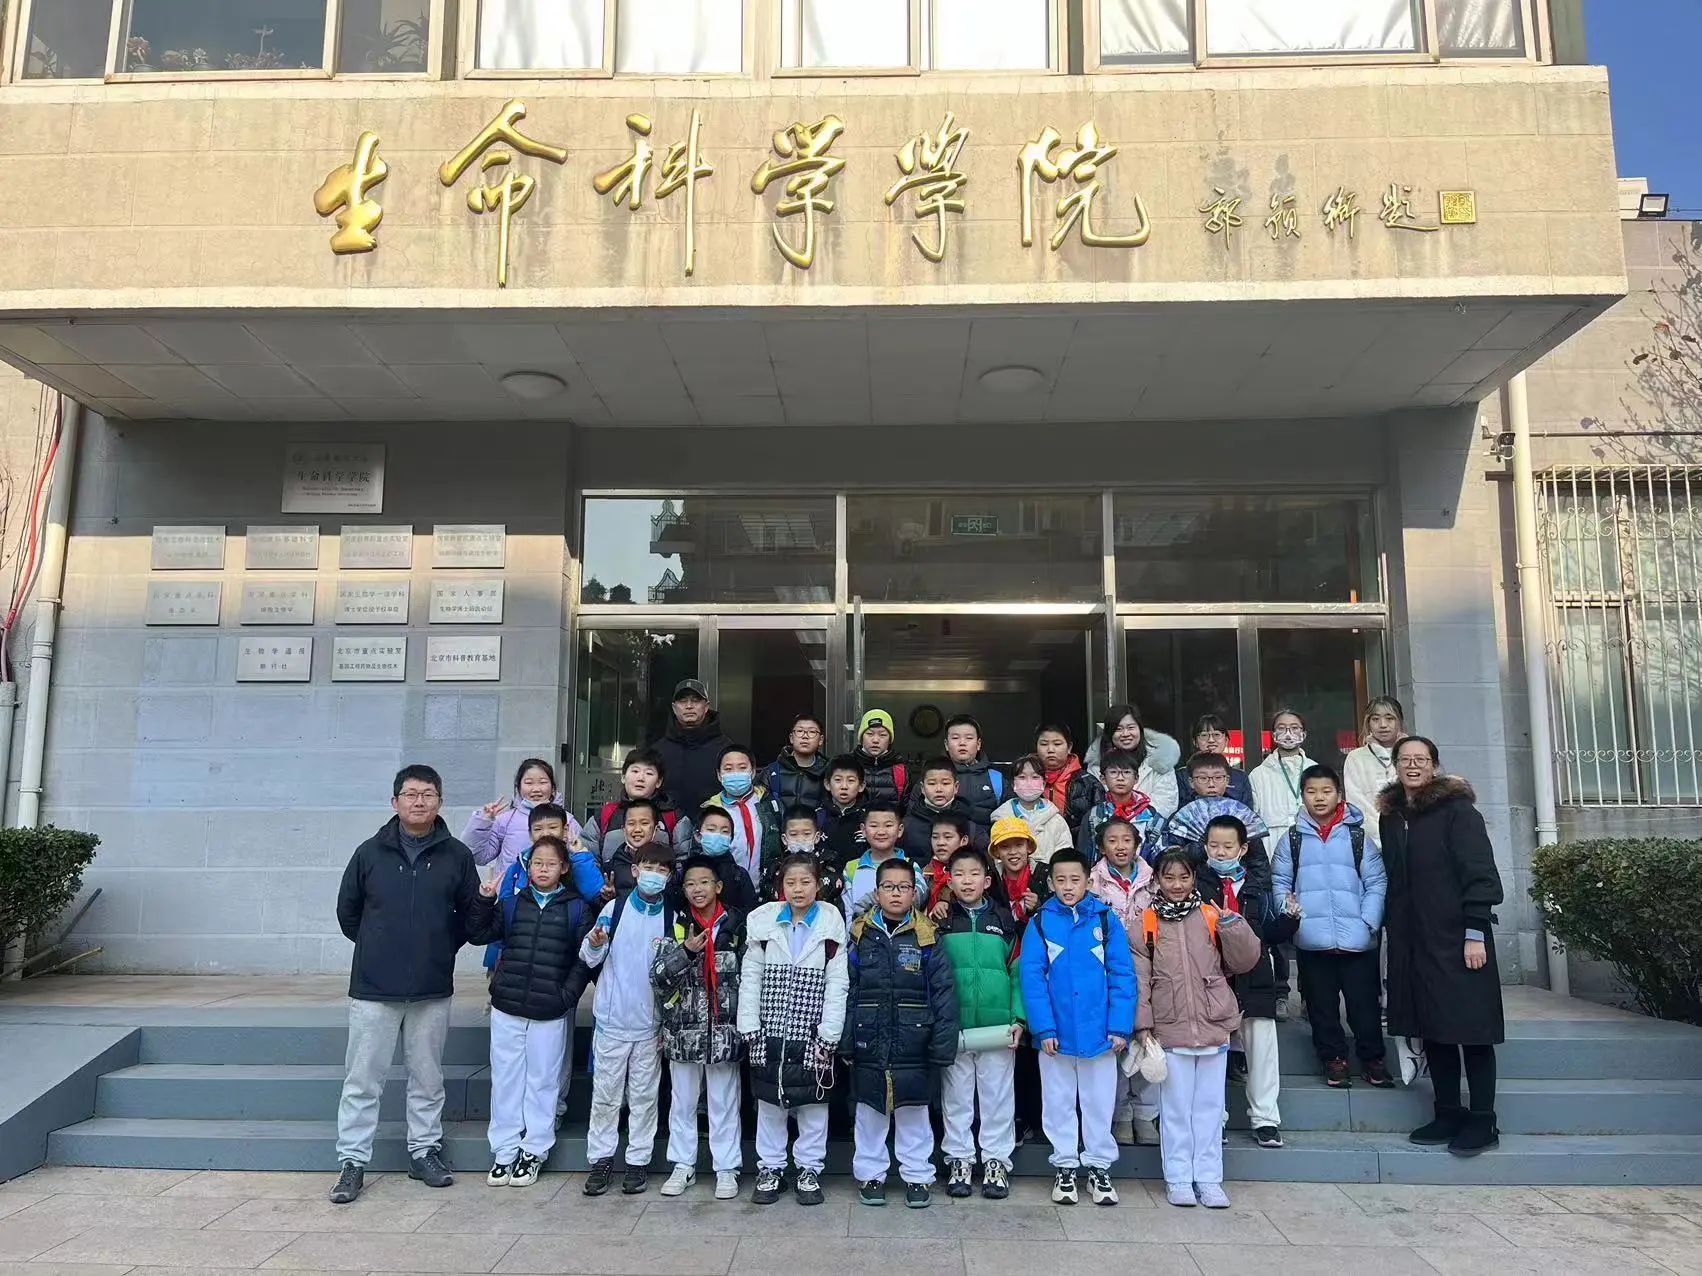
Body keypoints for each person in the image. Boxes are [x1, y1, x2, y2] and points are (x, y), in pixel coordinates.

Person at [330, 764, 481, 1205]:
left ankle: (424, 1152)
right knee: (363, 1079)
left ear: (440, 802)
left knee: (428, 1077)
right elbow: (348, 914)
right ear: (394, 802)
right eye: (411, 794)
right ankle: (352, 1161)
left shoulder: (457, 856)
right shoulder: (369, 853)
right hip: (374, 987)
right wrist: (380, 946)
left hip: (431, 987)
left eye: (428, 794)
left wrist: (436, 947)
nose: (419, 801)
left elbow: (468, 917)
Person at [1379, 736, 1506, 1157]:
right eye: (1405, 759)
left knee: (1473, 1030)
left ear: (1434, 765)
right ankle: (1447, 1111)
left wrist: (1475, 932)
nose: (1413, 765)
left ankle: (1483, 1120)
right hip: (1415, 941)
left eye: (1421, 759)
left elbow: (1480, 873)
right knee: (1434, 1028)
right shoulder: (1392, 817)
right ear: (1395, 765)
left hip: (1459, 939)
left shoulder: (1458, 811)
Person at [1134, 848, 1263, 1209]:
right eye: (1169, 877)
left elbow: (1245, 961)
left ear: (1193, 878)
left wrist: (1232, 925)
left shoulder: (1210, 915)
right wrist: (1143, 1024)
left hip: (1213, 1023)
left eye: (1184, 876)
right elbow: (1140, 979)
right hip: (1170, 1026)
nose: (1177, 884)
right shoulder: (1145, 922)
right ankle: (1178, 1178)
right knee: (1175, 1109)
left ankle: (1209, 1179)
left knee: (1210, 1108)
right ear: (1157, 880)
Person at [467, 836, 594, 1187]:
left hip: (549, 1009)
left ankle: (534, 1149)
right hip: (507, 1005)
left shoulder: (576, 908)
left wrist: (566, 996)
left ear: (563, 868)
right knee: (506, 1079)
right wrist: (484, 899)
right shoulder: (512, 903)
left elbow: (584, 959)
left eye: (551, 863)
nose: (543, 869)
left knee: (543, 1081)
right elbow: (478, 933)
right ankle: (504, 1150)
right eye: (537, 863)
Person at [1019, 849, 1136, 1207]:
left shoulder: (1105, 920)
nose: (1068, 887)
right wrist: (1043, 1029)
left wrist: (1119, 1026)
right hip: (1055, 1036)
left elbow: (1122, 975)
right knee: (1058, 1102)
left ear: (1088, 880)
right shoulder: (1040, 922)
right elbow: (1031, 979)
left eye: (1075, 879)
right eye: (1061, 880)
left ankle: (1099, 1166)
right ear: (1051, 882)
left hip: (1100, 1034)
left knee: (1099, 1102)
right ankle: (1065, 1165)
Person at [846, 859, 959, 1208]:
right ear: (877, 892)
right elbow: (848, 989)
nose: (896, 893)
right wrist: (846, 1039)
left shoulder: (928, 936)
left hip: (915, 1039)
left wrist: (942, 1043)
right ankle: (871, 1174)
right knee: (870, 1111)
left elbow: (943, 992)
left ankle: (917, 1176)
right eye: (889, 887)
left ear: (914, 892)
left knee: (914, 1111)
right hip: (869, 1036)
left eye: (904, 887)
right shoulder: (860, 934)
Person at [739, 852, 850, 1206]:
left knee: (814, 1106)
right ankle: (770, 1168)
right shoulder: (763, 925)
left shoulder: (830, 927)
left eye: (805, 882)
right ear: (780, 887)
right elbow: (750, 979)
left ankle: (809, 1169)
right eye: (791, 882)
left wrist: (829, 1034)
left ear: (818, 885)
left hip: (811, 1031)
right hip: (770, 1029)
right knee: (770, 1105)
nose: (798, 889)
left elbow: (837, 985)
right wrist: (750, 1027)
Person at [1273, 764, 1390, 1089]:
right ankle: (1333, 1059)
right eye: (1311, 791)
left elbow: (1377, 882)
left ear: (1339, 794)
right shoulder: (1292, 839)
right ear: (1302, 796)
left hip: (1358, 939)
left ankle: (1372, 1059)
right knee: (1321, 1007)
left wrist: (1368, 921)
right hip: (1312, 939)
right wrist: (1290, 913)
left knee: (1364, 1006)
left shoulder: (1357, 836)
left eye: (1326, 791)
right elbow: (1280, 881)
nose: (1319, 798)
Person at [577, 842, 676, 1197]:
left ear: (669, 877)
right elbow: (590, 957)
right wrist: (595, 941)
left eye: (662, 870)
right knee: (606, 1096)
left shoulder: (672, 918)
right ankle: (601, 1160)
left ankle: (637, 1162)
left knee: (645, 1097)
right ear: (635, 871)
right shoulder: (614, 909)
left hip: (649, 1027)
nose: (654, 875)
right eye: (649, 867)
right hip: (612, 1022)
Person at [1198, 815, 1300, 1150]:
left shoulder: (1258, 887)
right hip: (1212, 976)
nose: (1220, 852)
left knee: (1262, 1048)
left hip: (1255, 974)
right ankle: (1214, 1119)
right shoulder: (1197, 885)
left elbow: (1269, 933)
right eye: (1214, 845)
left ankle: (1265, 1119)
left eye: (1228, 846)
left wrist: (1289, 920)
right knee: (1212, 1052)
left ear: (1243, 849)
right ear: (1205, 847)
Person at [652, 854, 745, 1200]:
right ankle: (683, 1164)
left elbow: (751, 977)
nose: (697, 889)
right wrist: (687, 952)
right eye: (690, 884)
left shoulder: (737, 926)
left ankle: (726, 1168)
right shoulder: (677, 924)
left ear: (718, 886)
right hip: (683, 1032)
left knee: (724, 1102)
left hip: (724, 1032)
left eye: (704, 882)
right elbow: (658, 978)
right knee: (682, 1102)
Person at [938, 847, 1023, 1200]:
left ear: (987, 881)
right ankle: (959, 1160)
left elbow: (1017, 973)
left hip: (997, 1026)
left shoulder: (1004, 920)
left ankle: (996, 1162)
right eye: (959, 874)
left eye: (974, 874)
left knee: (997, 1098)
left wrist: (1018, 1017)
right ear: (949, 880)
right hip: (955, 1025)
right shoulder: (940, 921)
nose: (967, 881)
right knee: (956, 1098)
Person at [1086, 817, 1158, 1146]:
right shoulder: (1092, 881)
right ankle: (1121, 1114)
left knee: (1146, 1037)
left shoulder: (1152, 880)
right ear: (1102, 847)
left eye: (1126, 840)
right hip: (1106, 969)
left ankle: (1145, 1113)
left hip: (1147, 966)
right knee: (1116, 1041)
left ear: (1137, 845)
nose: (1120, 846)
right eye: (1112, 840)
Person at [462, 758, 592, 884]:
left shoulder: (568, 820)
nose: (536, 789)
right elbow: (480, 857)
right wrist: (482, 822)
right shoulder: (505, 820)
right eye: (529, 783)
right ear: (518, 787)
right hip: (511, 895)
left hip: (557, 894)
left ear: (553, 788)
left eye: (542, 782)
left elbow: (582, 861)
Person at [582, 748, 694, 872]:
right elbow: (587, 857)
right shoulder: (605, 814)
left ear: (659, 782)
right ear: (623, 777)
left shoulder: (673, 816)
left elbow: (684, 862)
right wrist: (601, 883)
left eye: (649, 773)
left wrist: (667, 881)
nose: (640, 778)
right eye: (635, 771)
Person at [1073, 703, 1181, 829]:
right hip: (1107, 831)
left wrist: (1134, 827)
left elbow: (1166, 804)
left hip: (1149, 830)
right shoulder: (1096, 766)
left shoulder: (1160, 761)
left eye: (1131, 727)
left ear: (1140, 729)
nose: (1125, 733)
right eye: (1118, 729)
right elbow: (1095, 805)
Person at [652, 678, 734, 814]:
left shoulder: (727, 749)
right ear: (674, 708)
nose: (689, 706)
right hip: (668, 824)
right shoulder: (657, 751)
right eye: (683, 701)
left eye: (695, 701)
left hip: (714, 823)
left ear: (706, 707)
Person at [703, 743, 781, 885]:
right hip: (726, 889)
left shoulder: (769, 804)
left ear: (753, 772)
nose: (735, 773)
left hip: (766, 888)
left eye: (742, 768)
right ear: (719, 775)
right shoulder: (711, 810)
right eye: (728, 769)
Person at [1076, 750, 1168, 862]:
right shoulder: (1094, 816)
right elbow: (1084, 857)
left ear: (1136, 778)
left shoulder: (1152, 817)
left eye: (1126, 772)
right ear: (1103, 779)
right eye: (1113, 772)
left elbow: (1160, 858)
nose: (1120, 778)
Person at [1248, 708, 1315, 849]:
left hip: (1311, 839)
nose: (1288, 733)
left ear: (1304, 734)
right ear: (1273, 735)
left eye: (1294, 728)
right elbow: (1252, 820)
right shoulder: (1258, 774)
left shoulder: (1315, 769)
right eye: (1281, 728)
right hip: (1272, 843)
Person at [844, 801, 922, 921]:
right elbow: (848, 911)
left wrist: (880, 898)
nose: (881, 832)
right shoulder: (851, 868)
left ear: (900, 830)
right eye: (874, 826)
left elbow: (918, 899)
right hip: (862, 930)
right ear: (863, 830)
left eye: (888, 825)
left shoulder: (911, 866)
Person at [1344, 696, 1405, 847]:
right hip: (1371, 841)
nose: (1383, 725)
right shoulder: (1356, 757)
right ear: (1368, 723)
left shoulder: (1412, 752)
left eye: (1390, 718)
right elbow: (1357, 802)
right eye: (1376, 719)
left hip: (1409, 837)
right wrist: (1382, 834)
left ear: (1399, 721)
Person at [992, 753, 1073, 862]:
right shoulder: (1002, 819)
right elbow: (998, 859)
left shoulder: (1056, 821)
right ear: (1013, 784)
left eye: (1035, 777)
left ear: (1043, 783)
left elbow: (1066, 859)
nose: (1029, 783)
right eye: (1022, 777)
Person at [760, 805, 844, 907]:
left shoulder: (829, 860)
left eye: (807, 834)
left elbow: (834, 888)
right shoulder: (775, 867)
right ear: (784, 839)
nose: (800, 839)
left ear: (817, 837)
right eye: (793, 834)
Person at [902, 757, 984, 860]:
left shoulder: (971, 827)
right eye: (932, 784)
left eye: (945, 783)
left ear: (956, 787)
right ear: (922, 788)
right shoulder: (906, 827)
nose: (939, 789)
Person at [685, 805, 760, 914]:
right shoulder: (686, 872)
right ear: (698, 835)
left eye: (724, 831)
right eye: (711, 830)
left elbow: (751, 912)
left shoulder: (739, 875)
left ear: (730, 839)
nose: (718, 835)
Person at [942, 714, 1005, 839]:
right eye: (955, 738)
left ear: (978, 744)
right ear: (946, 744)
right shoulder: (933, 777)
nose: (962, 743)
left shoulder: (996, 778)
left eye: (969, 738)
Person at [1174, 717, 1254, 807]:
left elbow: (1247, 812)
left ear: (1226, 740)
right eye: (1204, 735)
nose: (1211, 740)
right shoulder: (1181, 776)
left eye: (1217, 735)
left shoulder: (1240, 777)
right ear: (1195, 742)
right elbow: (1180, 812)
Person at [764, 714, 829, 815]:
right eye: (799, 731)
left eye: (812, 732)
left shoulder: (829, 772)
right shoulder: (770, 772)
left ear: (820, 740)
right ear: (791, 738)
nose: (805, 736)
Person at [991, 817, 1048, 925]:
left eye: (1019, 845)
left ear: (1029, 847)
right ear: (996, 851)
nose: (1013, 852)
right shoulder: (991, 881)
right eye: (1005, 847)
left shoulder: (1046, 874)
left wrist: (1039, 907)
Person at [817, 754, 869, 864]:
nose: (844, 786)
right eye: (838, 780)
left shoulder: (869, 817)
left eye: (851, 780)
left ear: (861, 786)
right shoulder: (818, 816)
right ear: (827, 784)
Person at [853, 709, 910, 809]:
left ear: (890, 739)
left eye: (882, 735)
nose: (875, 740)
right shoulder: (848, 764)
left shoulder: (900, 770)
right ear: (861, 737)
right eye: (870, 734)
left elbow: (907, 809)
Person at [920, 811, 972, 915]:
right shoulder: (924, 872)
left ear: (964, 840)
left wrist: (945, 899)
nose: (940, 843)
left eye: (948, 837)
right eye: (935, 837)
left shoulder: (975, 871)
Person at [1035, 723, 1083, 813]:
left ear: (1069, 747)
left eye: (1057, 744)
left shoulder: (1086, 782)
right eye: (1044, 744)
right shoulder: (1023, 778)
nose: (1050, 750)